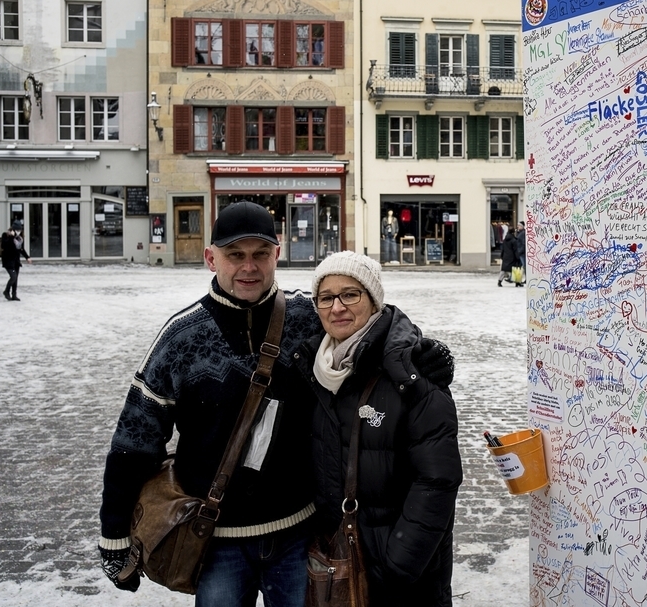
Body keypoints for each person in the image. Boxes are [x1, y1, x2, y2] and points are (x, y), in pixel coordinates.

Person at [98, 201, 452, 606]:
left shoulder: (306, 315)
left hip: (298, 536)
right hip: (217, 542)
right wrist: (114, 535)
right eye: (235, 256)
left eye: (260, 254)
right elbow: (134, 440)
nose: (249, 267)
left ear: (276, 255)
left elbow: (371, 321)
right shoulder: (180, 338)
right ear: (211, 259)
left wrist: (420, 354)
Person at [294, 251, 462, 607]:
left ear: (374, 301)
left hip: (401, 577)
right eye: (326, 298)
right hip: (339, 564)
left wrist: (396, 565)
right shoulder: (314, 369)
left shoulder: (411, 373)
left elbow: (438, 480)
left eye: (351, 294)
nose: (337, 306)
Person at [0, 220, 30, 301]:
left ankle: (14, 294)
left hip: (16, 261)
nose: (18, 232)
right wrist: (11, 236)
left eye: (20, 230)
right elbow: (6, 246)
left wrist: (27, 257)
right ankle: (6, 291)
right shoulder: (5, 236)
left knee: (16, 278)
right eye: (17, 230)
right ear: (12, 229)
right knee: (13, 277)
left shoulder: (20, 238)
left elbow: (21, 249)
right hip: (8, 261)